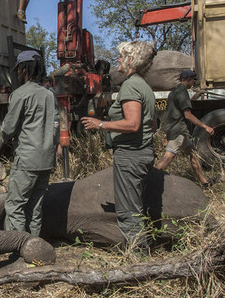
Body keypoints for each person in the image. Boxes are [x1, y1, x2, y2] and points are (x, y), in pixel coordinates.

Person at [81, 42, 157, 251]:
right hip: (143, 152)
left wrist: (101, 124)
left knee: (128, 211)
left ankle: (137, 259)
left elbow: (133, 124)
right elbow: (153, 124)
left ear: (131, 61)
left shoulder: (130, 85)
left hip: (131, 156)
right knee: (135, 205)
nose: (118, 60)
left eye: (122, 57)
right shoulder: (144, 85)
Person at [0, 50, 58, 237]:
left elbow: (8, 130)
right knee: (35, 206)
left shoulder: (20, 94)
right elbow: (56, 127)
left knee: (14, 205)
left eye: (19, 69)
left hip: (27, 159)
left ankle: (17, 249)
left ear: (24, 69)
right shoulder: (49, 95)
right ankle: (34, 245)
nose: (17, 73)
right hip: (46, 160)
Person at [155, 69, 214, 187]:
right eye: (193, 81)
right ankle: (151, 179)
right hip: (179, 131)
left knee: (193, 154)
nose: (193, 83)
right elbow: (187, 115)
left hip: (177, 130)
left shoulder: (173, 92)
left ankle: (204, 182)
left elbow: (170, 113)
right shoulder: (182, 93)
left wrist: (167, 132)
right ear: (188, 79)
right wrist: (205, 126)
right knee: (168, 157)